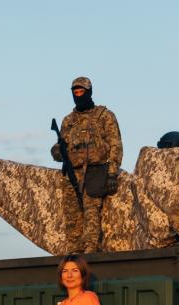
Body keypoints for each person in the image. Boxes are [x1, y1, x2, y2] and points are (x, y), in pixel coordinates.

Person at [50, 77, 123, 253]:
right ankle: (74, 255)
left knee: (91, 214)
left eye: (82, 92)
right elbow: (61, 147)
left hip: (96, 172)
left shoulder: (104, 116)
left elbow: (116, 144)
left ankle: (90, 253)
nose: (78, 95)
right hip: (72, 176)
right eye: (75, 92)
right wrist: (57, 151)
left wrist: (112, 172)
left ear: (89, 92)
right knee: (72, 219)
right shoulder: (69, 120)